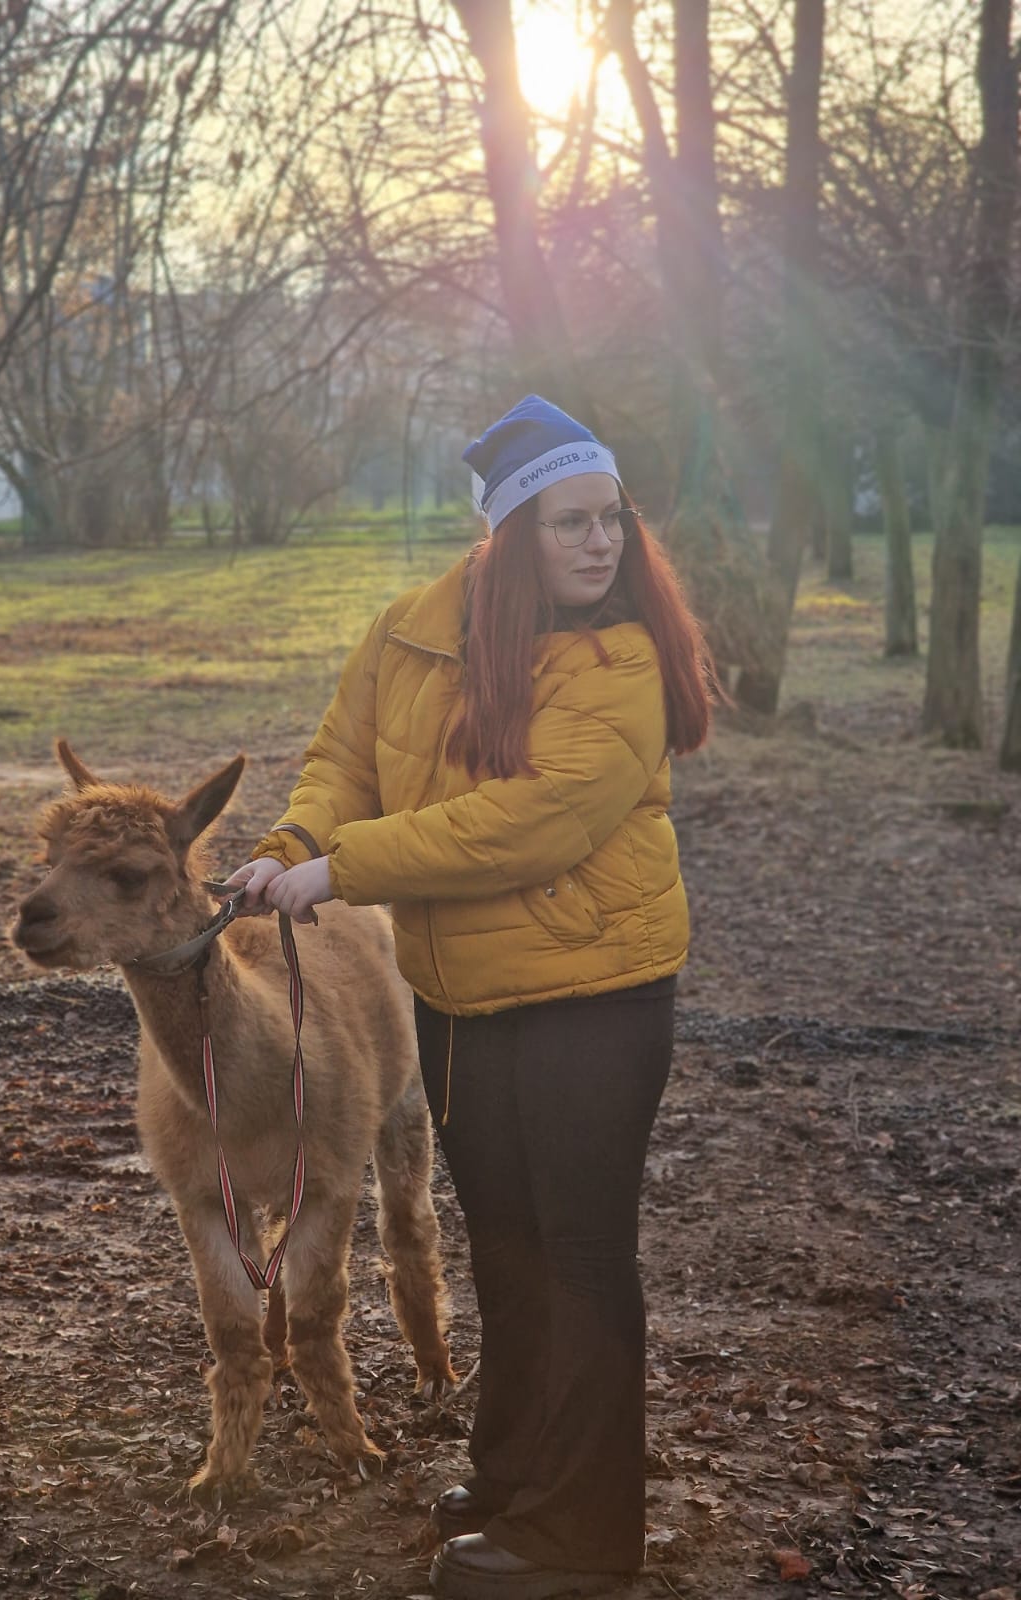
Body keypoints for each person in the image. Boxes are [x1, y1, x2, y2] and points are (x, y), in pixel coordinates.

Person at [226, 394, 715, 1600]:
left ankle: (584, 1534)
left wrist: (342, 869)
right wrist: (293, 838)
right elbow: (344, 760)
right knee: (505, 1243)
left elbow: (529, 822)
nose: (602, 543)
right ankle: (516, 1478)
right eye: (572, 521)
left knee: (580, 1254)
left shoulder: (623, 657)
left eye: (613, 518)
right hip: (459, 997)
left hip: (595, 994)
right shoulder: (410, 631)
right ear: (509, 532)